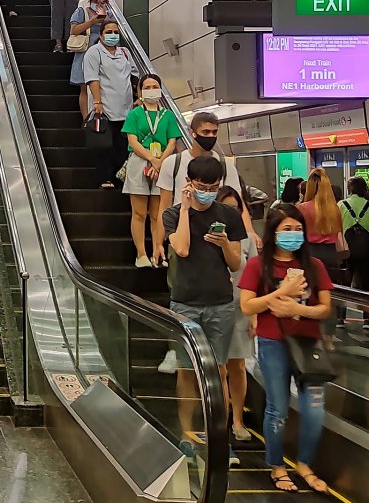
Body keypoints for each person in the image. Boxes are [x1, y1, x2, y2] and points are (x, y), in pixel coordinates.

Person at [238, 204, 333, 493]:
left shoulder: (314, 266)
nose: (294, 234)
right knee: (277, 408)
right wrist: (281, 294)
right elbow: (247, 305)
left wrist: (298, 309)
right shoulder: (258, 266)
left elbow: (326, 308)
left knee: (314, 410)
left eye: (298, 229)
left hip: (308, 345)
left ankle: (304, 463)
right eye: (287, 229)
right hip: (273, 342)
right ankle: (276, 465)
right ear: (274, 232)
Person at [156, 111, 257, 373]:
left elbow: (237, 202)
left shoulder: (225, 172)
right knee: (180, 279)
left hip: (218, 286)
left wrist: (242, 238)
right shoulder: (175, 165)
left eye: (214, 132)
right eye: (206, 132)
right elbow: (166, 211)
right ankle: (174, 354)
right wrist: (159, 241)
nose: (210, 137)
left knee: (219, 363)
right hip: (181, 235)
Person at [163, 155, 247, 467]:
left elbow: (236, 263)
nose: (207, 191)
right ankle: (186, 434)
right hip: (185, 302)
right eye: (201, 186)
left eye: (213, 187)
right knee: (186, 372)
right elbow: (182, 249)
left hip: (220, 302)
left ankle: (218, 438)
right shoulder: (173, 214)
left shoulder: (228, 214)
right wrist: (185, 209)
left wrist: (225, 243)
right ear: (189, 183)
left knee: (220, 371)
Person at [122, 74, 181, 268]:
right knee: (139, 213)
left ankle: (158, 252)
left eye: (154, 86)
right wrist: (151, 158)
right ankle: (141, 254)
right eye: (146, 87)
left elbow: (172, 141)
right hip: (140, 161)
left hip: (163, 164)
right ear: (140, 91)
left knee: (158, 213)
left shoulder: (168, 115)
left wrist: (160, 161)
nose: (151, 89)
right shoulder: (135, 113)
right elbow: (132, 140)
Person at [218, 186, 258, 443]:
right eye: (227, 207)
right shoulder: (209, 235)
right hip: (214, 306)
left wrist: (254, 314)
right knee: (219, 368)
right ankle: (219, 421)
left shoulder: (247, 240)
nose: (232, 213)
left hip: (240, 306)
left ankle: (238, 420)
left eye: (236, 208)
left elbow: (253, 275)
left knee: (238, 365)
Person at [80, 20, 137, 189]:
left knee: (122, 146)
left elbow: (134, 75)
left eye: (116, 32)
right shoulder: (94, 52)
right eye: (109, 32)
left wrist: (138, 97)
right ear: (101, 33)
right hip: (104, 107)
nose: (113, 35)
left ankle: (119, 178)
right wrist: (97, 101)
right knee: (105, 146)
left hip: (126, 108)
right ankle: (104, 178)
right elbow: (92, 78)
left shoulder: (124, 52)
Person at [297, 169, 345, 339]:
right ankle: (329, 338)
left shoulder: (302, 208)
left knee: (309, 296)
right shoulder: (335, 209)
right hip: (331, 255)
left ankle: (311, 334)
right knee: (329, 299)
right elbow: (339, 233)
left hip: (310, 253)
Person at [339, 176, 369, 332]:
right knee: (368, 286)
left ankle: (340, 318)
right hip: (367, 252)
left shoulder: (340, 205)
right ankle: (368, 319)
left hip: (346, 252)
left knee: (344, 286)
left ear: (350, 189)